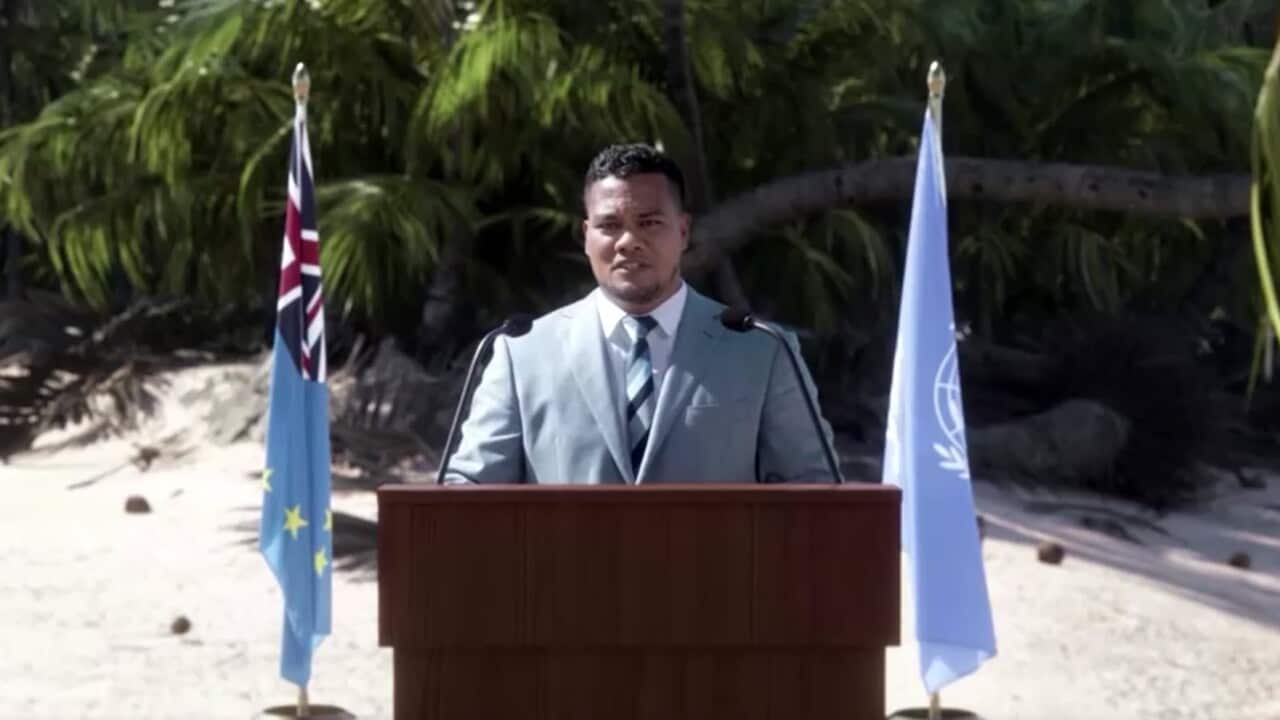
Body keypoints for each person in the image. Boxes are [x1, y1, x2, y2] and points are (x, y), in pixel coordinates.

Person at [443, 143, 841, 484]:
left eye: (649, 223)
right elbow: (469, 491)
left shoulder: (762, 351)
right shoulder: (523, 353)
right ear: (586, 237)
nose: (628, 242)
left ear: (683, 232)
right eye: (610, 225)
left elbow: (813, 490)